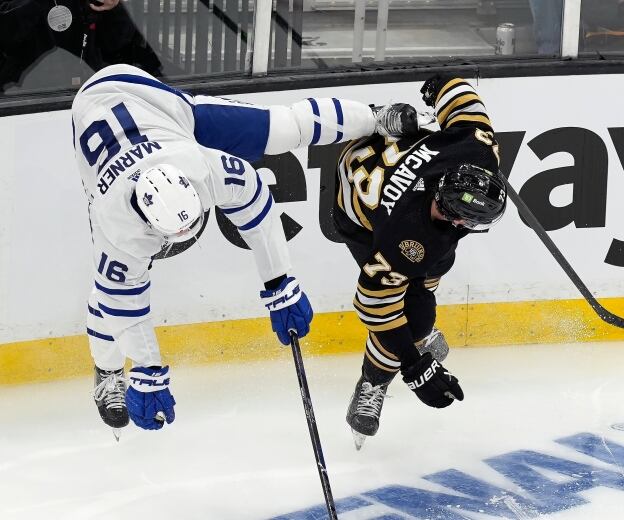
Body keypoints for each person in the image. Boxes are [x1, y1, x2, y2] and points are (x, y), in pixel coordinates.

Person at [71, 63, 420, 437]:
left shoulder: (200, 166)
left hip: (155, 105)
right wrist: (146, 368)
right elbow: (121, 301)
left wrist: (280, 283)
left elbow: (255, 203)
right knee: (106, 284)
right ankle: (108, 370)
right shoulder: (116, 225)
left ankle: (373, 116)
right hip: (96, 115)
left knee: (281, 128)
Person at [333, 74, 508, 449]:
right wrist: (413, 365)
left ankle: (417, 335)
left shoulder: (477, 147)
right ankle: (373, 382)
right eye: (451, 215)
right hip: (360, 212)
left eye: (469, 220)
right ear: (441, 197)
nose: (459, 224)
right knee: (412, 318)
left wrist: (441, 82)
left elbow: (464, 100)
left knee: (429, 272)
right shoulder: (406, 236)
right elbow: (374, 303)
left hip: (397, 151)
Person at [1, 0, 161, 93]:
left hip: (88, 90)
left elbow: (117, 44)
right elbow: (7, 36)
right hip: (23, 95)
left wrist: (114, 7)